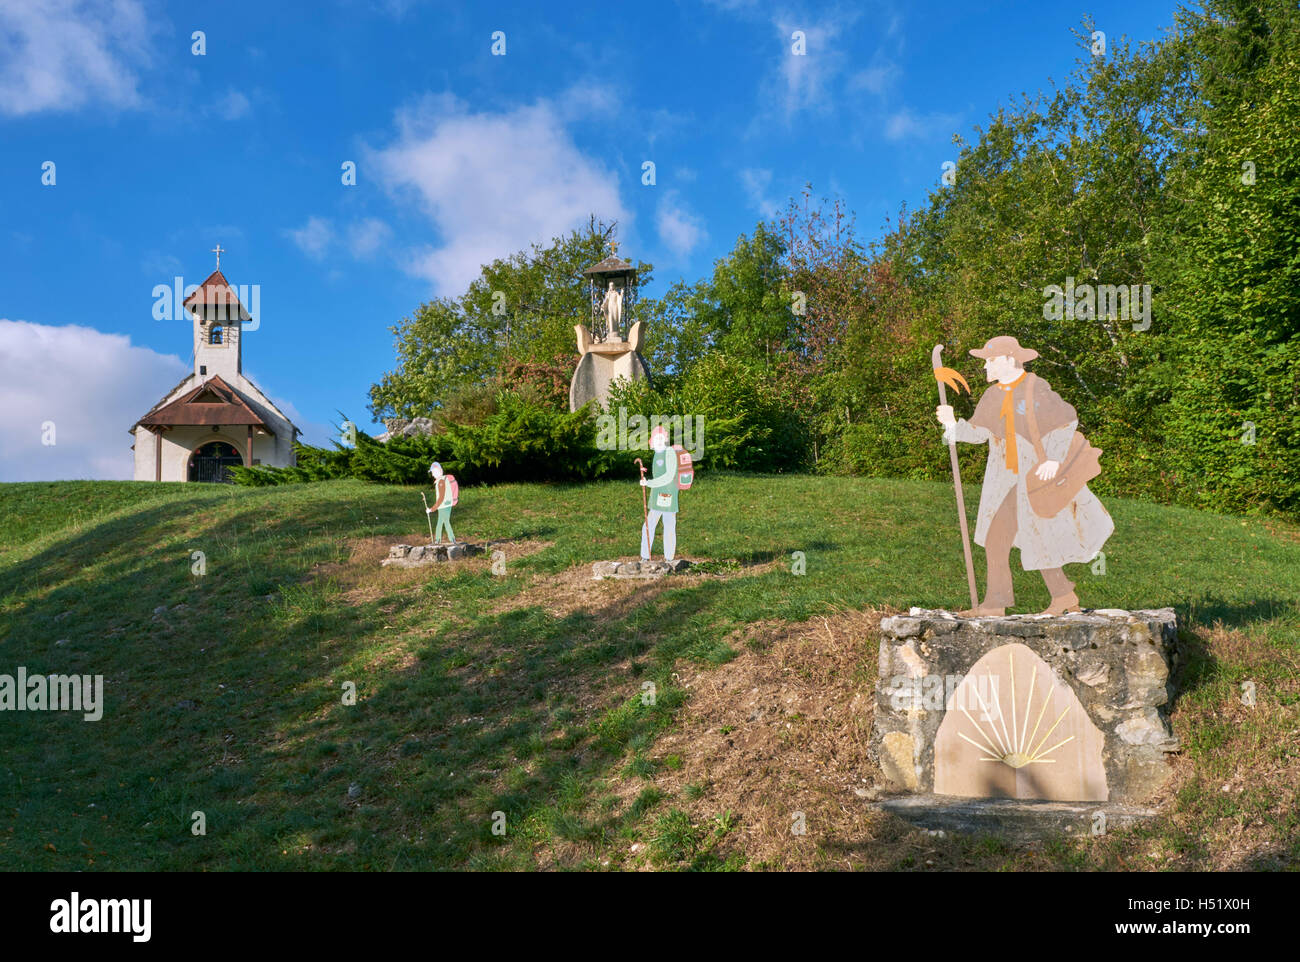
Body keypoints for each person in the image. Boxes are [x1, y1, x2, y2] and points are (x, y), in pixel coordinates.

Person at [935, 335, 1113, 615]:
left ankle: (1056, 598)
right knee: (1000, 536)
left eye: (990, 361)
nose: (985, 368)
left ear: (1009, 359)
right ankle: (1005, 602)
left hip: (1034, 475)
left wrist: (1054, 459)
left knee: (1035, 535)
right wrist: (952, 425)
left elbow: (1066, 420)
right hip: (1004, 477)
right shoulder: (992, 395)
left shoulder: (1034, 387)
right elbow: (981, 432)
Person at [640, 425, 678, 561]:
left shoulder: (669, 453)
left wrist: (649, 483)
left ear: (666, 438)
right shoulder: (657, 453)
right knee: (649, 524)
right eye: (657, 438)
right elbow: (659, 472)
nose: (659, 440)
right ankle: (645, 556)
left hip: (668, 494)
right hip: (657, 495)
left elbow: (668, 476)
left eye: (661, 437)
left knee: (668, 524)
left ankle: (669, 558)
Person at [425, 461, 455, 545]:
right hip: (444, 505)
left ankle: (452, 539)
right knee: (440, 522)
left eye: (434, 472)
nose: (433, 474)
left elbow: (441, 498)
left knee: (445, 521)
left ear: (440, 471)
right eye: (432, 472)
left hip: (444, 505)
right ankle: (438, 540)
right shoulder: (441, 481)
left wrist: (431, 509)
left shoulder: (441, 482)